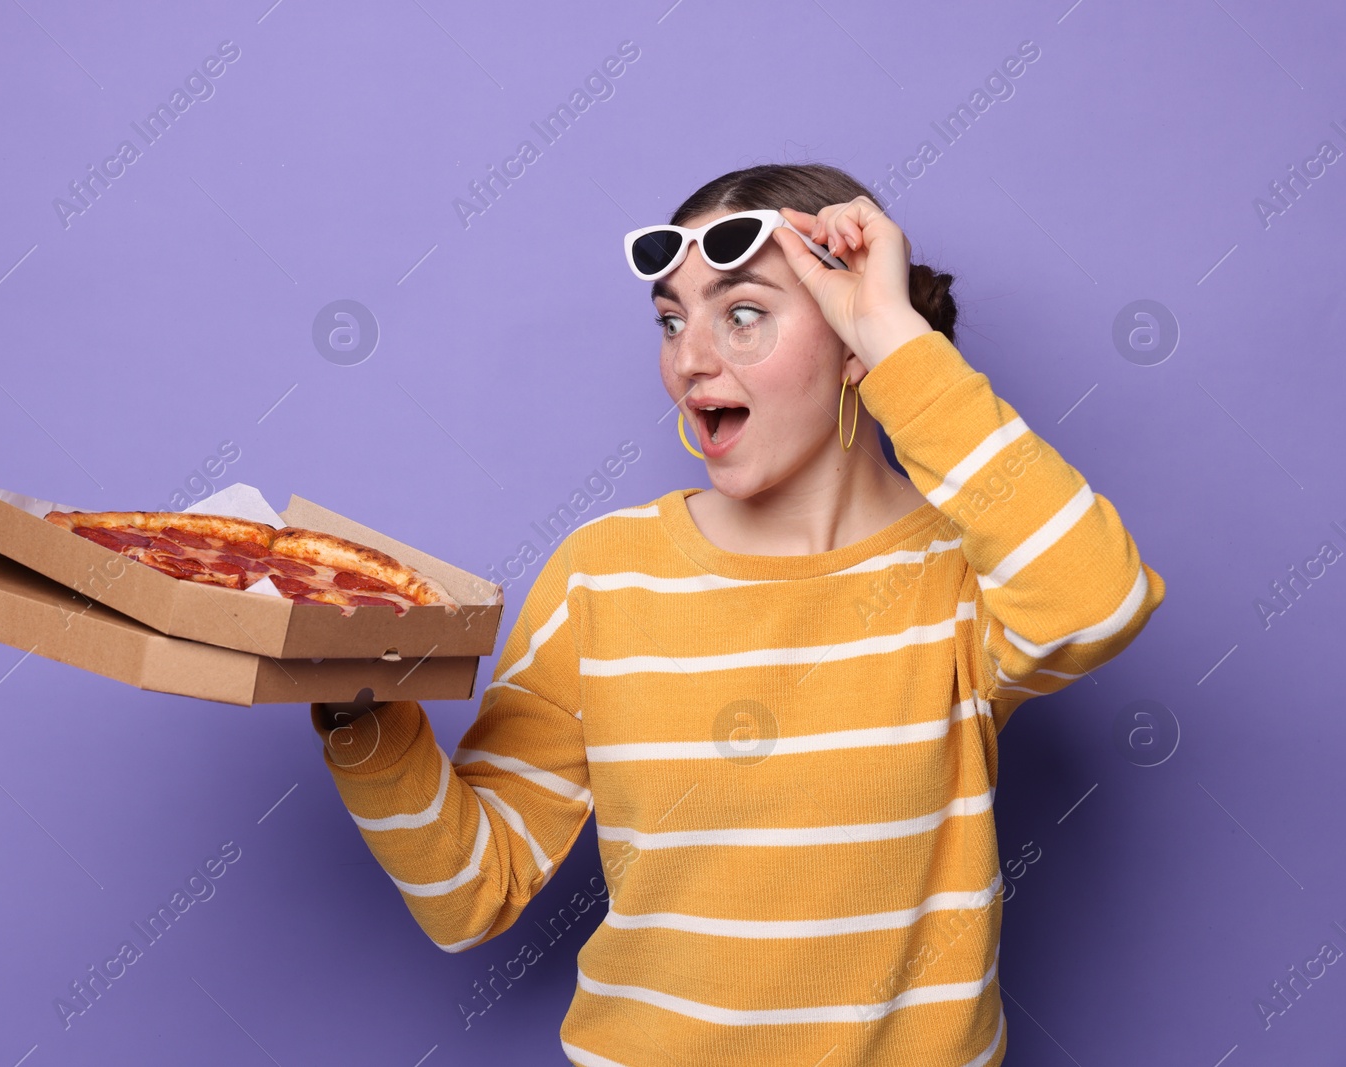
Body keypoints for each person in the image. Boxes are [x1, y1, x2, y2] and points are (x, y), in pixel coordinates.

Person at [309, 162, 1166, 1066]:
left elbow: (1094, 602)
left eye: (743, 313)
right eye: (672, 320)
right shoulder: (603, 574)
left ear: (848, 341)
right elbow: (473, 891)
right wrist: (355, 706)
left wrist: (892, 337)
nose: (690, 357)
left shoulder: (962, 578)